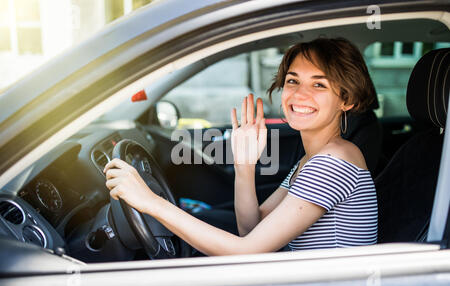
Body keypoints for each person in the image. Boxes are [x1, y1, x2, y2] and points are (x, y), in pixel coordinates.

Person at [104, 37, 378, 255]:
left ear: (347, 100)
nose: (299, 94)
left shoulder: (334, 163)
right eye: (293, 80)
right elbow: (250, 230)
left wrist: (151, 203)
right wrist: (244, 166)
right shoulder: (312, 159)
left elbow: (246, 251)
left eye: (319, 84)